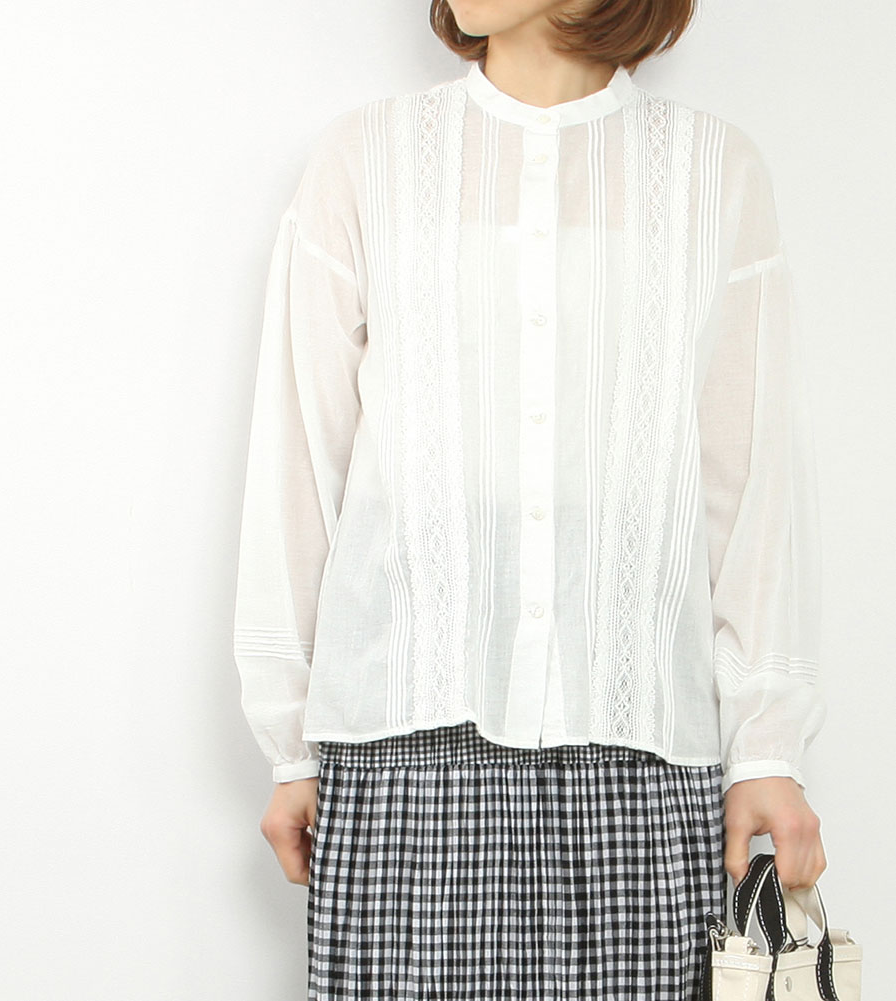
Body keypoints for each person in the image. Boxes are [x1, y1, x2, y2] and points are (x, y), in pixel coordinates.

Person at [233, 0, 829, 996]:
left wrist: (765, 745)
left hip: (641, 764)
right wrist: (290, 739)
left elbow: (751, 478)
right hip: (403, 753)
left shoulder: (713, 172)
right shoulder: (364, 160)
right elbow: (300, 461)